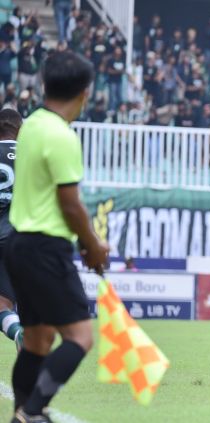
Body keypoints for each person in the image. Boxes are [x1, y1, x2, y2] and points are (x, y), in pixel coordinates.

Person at [5, 51, 109, 423]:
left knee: (37, 342)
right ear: (84, 93)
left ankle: (21, 411)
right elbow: (70, 204)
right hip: (46, 247)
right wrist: (93, 245)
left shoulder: (30, 124)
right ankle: (31, 413)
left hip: (19, 244)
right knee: (80, 338)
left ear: (44, 85)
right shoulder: (63, 136)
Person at [0, 108, 24, 352]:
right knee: (6, 303)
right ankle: (20, 333)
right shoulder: (30, 154)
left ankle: (18, 332)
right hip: (19, 238)